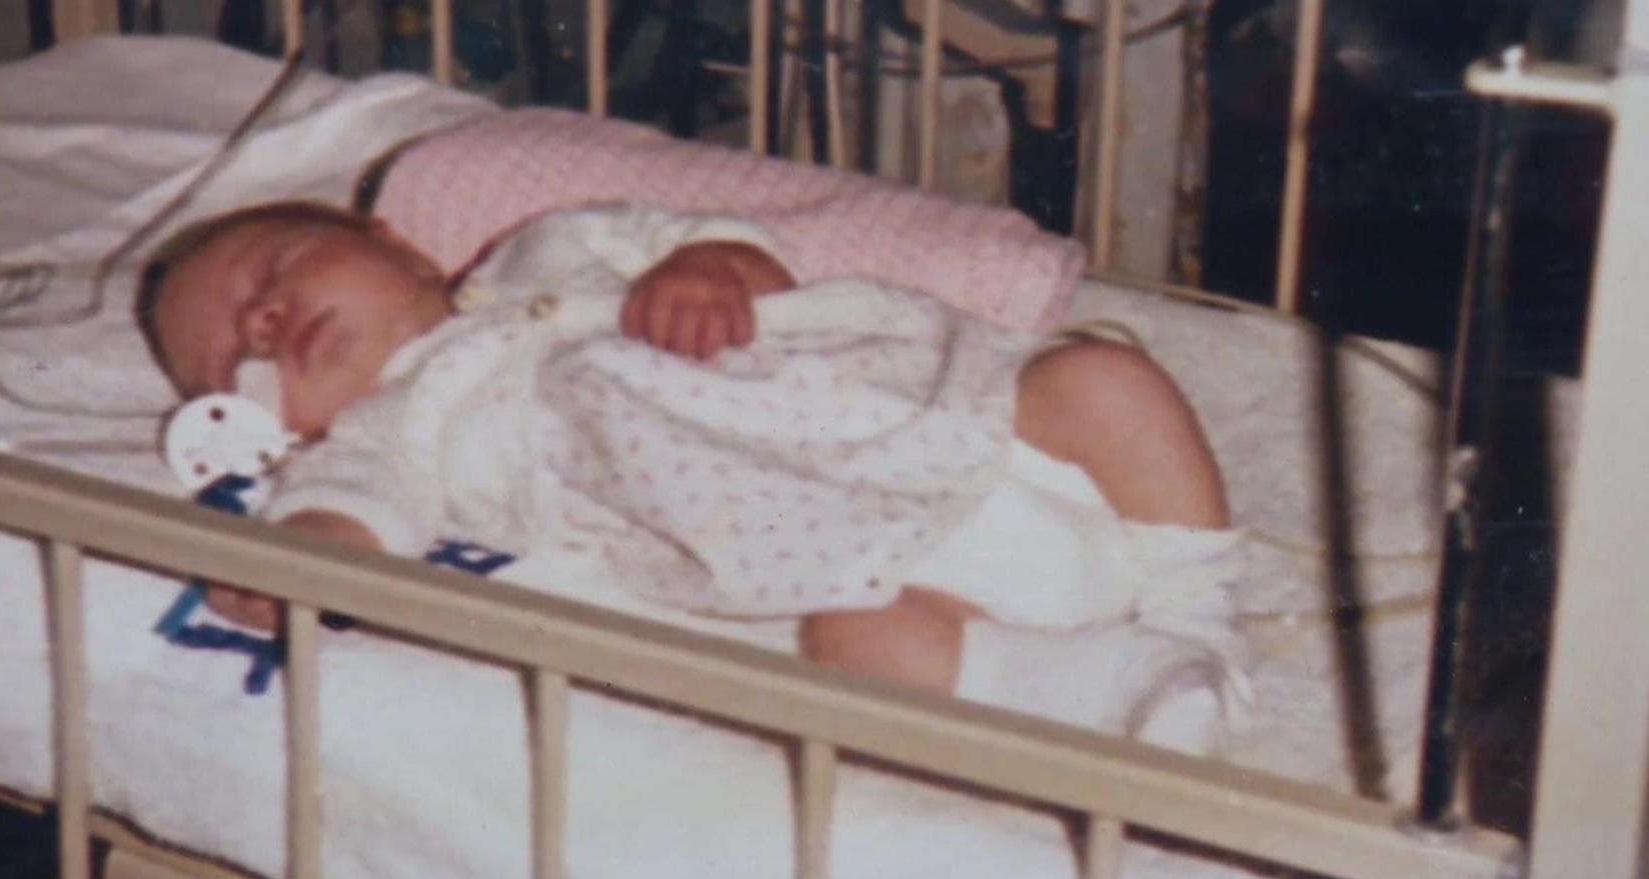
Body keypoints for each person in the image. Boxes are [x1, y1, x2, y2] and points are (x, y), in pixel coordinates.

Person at [137, 198, 1238, 713]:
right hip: (884, 562)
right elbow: (352, 508)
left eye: (275, 270)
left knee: (1101, 379)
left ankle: (1197, 609)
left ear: (392, 241)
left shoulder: (548, 249)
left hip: (974, 419)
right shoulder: (394, 426)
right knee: (860, 649)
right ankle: (1123, 687)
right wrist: (308, 552)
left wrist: (712, 267)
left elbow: (727, 246)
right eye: (240, 348)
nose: (271, 317)